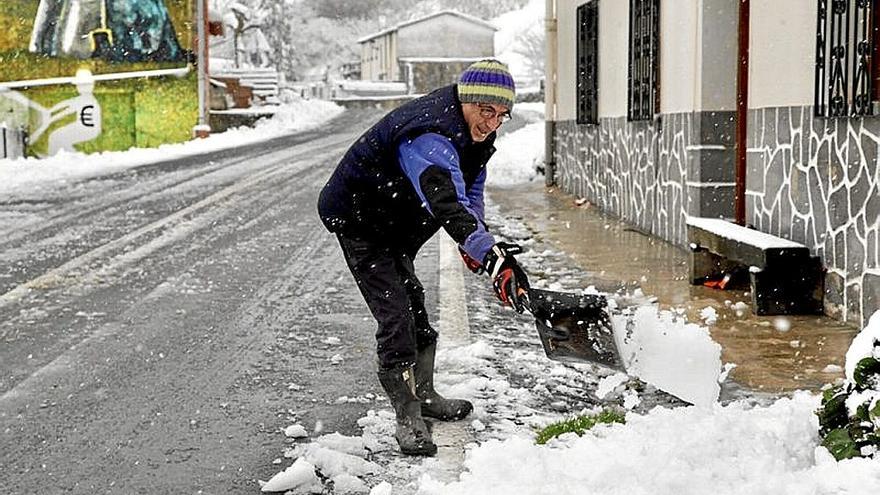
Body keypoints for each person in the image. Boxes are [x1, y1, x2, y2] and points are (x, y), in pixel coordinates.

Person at [317, 59, 530, 456]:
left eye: (502, 115)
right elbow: (446, 201)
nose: (492, 123)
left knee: (414, 304)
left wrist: (479, 245)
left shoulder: (475, 134)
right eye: (486, 110)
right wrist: (489, 255)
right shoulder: (429, 133)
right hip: (362, 219)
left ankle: (425, 394)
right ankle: (407, 416)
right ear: (466, 100)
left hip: (396, 221)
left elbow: (470, 192)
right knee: (396, 314)